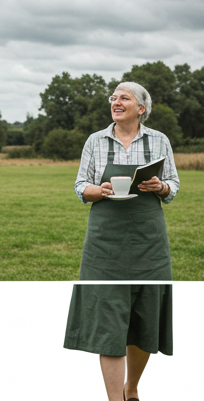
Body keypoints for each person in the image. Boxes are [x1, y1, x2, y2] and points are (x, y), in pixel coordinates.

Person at [74, 81, 179, 279]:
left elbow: (173, 183)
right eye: (113, 98)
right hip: (104, 236)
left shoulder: (160, 140)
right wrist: (98, 191)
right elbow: (80, 185)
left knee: (148, 293)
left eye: (124, 98)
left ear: (141, 108)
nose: (116, 103)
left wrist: (161, 187)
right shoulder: (94, 141)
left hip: (148, 237)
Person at [64, 284, 172, 401]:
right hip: (104, 263)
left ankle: (131, 389)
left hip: (149, 262)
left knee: (145, 322)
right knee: (109, 331)